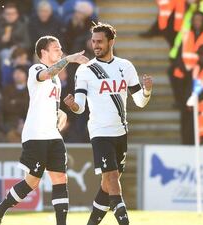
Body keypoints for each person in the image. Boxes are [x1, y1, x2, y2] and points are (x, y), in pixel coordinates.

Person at [0, 35, 88, 225]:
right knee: (32, 182)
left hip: (53, 135)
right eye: (56, 48)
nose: (60, 51)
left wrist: (61, 113)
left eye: (60, 48)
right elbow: (47, 74)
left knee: (60, 179)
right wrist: (68, 59)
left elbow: (48, 102)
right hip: (35, 135)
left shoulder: (57, 80)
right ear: (44, 52)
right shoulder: (36, 69)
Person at [63, 22, 153, 225]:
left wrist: (147, 91)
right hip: (99, 132)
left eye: (100, 41)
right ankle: (124, 221)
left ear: (111, 41)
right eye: (93, 41)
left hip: (121, 131)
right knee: (112, 178)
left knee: (107, 184)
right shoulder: (85, 70)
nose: (95, 45)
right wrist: (72, 106)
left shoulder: (126, 66)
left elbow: (139, 101)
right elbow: (81, 106)